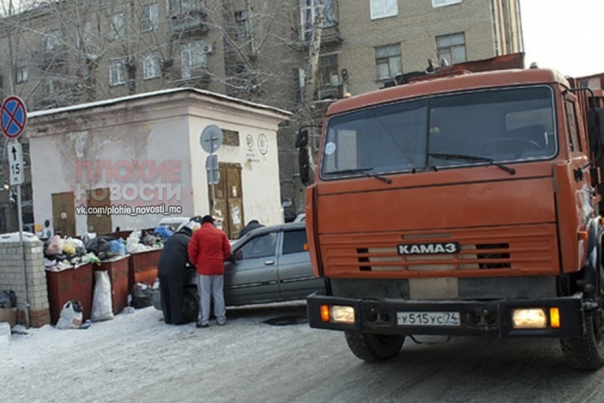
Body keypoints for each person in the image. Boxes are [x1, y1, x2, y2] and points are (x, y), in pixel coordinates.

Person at [188, 214, 231, 328]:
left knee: (205, 295)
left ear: (202, 223)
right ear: (212, 222)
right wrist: (221, 260)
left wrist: (195, 262)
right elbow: (227, 251)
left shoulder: (197, 234)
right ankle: (221, 318)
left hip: (204, 269)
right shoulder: (220, 233)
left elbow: (192, 251)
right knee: (218, 293)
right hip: (218, 268)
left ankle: (204, 320)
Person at [157, 218, 199, 325]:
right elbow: (191, 258)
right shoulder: (187, 240)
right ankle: (178, 319)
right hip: (174, 269)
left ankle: (168, 318)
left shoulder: (172, 238)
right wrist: (195, 267)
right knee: (176, 294)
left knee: (166, 295)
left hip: (162, 268)